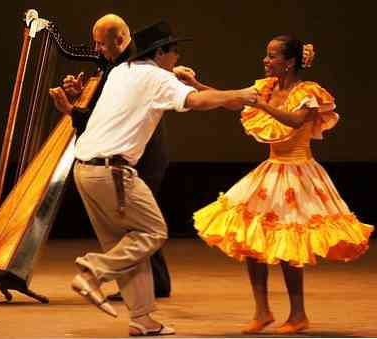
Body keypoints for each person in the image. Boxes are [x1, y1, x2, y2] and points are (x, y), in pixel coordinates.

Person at [50, 20, 257, 336]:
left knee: (129, 244)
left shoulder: (122, 72)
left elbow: (151, 84)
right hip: (113, 173)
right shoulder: (157, 77)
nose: (177, 57)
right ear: (161, 52)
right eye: (174, 52)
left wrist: (178, 76)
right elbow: (199, 102)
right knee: (153, 232)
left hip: (85, 171)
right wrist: (242, 93)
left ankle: (142, 318)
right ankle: (94, 271)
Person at [193, 35, 374, 334]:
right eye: (267, 55)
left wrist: (262, 104)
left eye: (272, 56)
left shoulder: (309, 92)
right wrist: (197, 85)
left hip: (299, 173)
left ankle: (298, 314)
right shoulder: (265, 87)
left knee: (291, 244)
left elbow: (295, 121)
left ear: (289, 62)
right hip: (271, 171)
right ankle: (262, 311)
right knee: (251, 237)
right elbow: (231, 100)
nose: (266, 60)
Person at [63, 14, 194, 300]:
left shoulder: (129, 69)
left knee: (140, 226)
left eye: (100, 43)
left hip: (138, 158)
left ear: (121, 40)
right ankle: (145, 299)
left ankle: (119, 278)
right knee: (137, 226)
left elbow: (94, 120)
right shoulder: (118, 68)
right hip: (126, 158)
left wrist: (70, 109)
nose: (96, 49)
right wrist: (77, 100)